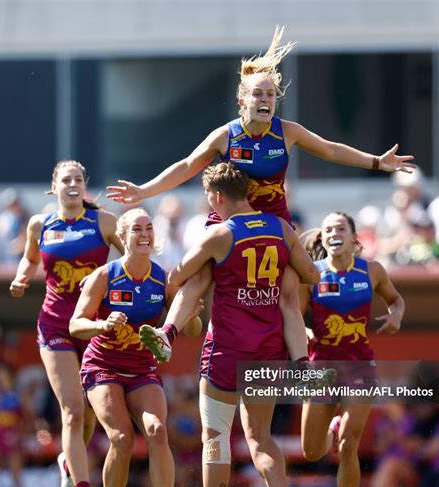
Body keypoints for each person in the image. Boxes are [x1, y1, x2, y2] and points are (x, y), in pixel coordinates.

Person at [107, 26, 415, 366]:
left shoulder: (287, 131)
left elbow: (330, 150)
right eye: (258, 94)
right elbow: (186, 166)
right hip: (230, 220)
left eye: (270, 95)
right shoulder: (226, 135)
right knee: (199, 275)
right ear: (243, 100)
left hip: (274, 221)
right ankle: (167, 334)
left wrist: (376, 162)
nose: (265, 100)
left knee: (290, 290)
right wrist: (144, 191)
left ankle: (300, 366)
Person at [164, 162, 320, 487]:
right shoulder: (281, 229)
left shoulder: (220, 233)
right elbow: (311, 278)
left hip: (226, 350)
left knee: (215, 437)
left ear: (217, 196)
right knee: (260, 437)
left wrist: (202, 271)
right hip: (268, 351)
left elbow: (177, 275)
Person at [69, 207, 202, 487]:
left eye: (149, 228)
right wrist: (102, 324)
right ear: (123, 237)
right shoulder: (105, 275)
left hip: (142, 369)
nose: (144, 234)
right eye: (137, 229)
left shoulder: (163, 277)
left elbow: (192, 329)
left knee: (157, 431)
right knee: (121, 437)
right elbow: (75, 324)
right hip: (103, 367)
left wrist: (192, 314)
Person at [9, 160, 123, 487]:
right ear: (53, 187)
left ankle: (66, 462)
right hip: (56, 324)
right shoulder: (40, 225)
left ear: (84, 185)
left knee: (89, 413)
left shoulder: (104, 222)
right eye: (66, 180)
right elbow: (28, 260)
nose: (72, 185)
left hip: (94, 325)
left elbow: (134, 259)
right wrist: (22, 278)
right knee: (72, 410)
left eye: (78, 179)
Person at [299, 212, 405, 487]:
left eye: (340, 228)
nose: (334, 233)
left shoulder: (371, 271)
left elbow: (396, 299)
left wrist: (396, 315)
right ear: (323, 238)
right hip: (322, 368)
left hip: (360, 367)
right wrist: (304, 331)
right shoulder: (311, 275)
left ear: (353, 237)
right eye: (328, 228)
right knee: (312, 451)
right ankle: (332, 426)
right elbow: (292, 313)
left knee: (349, 445)